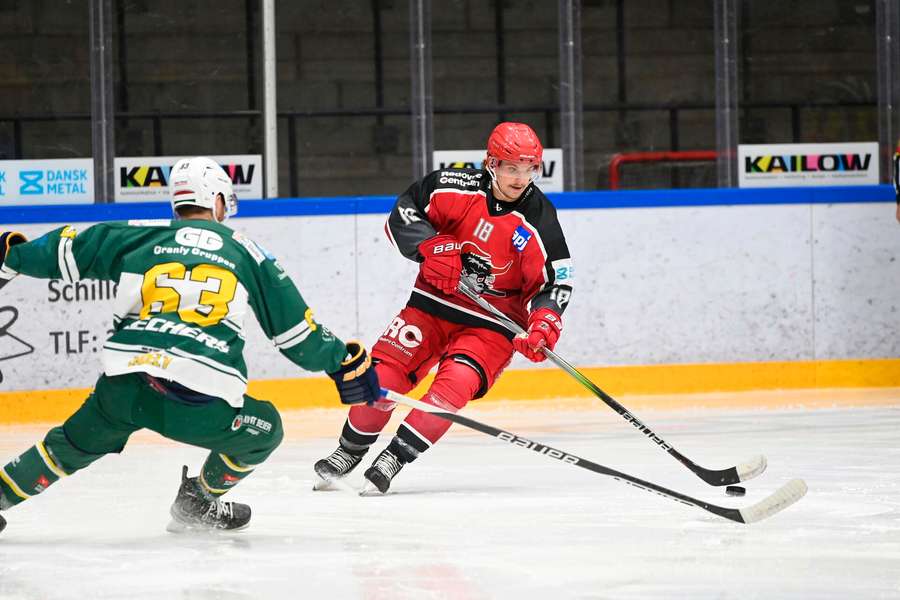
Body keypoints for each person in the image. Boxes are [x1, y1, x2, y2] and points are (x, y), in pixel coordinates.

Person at [0, 157, 379, 534]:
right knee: (265, 430)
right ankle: (198, 499)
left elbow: (66, 251)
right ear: (215, 200)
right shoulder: (245, 250)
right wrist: (341, 362)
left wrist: (13, 256)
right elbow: (296, 335)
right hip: (195, 399)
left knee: (64, 448)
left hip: (123, 387)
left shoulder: (139, 234)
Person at [313, 122, 574, 494]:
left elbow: (556, 280)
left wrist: (544, 321)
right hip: (431, 305)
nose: (520, 178)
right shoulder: (452, 187)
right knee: (384, 378)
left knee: (455, 386)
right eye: (511, 168)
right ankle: (349, 450)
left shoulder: (540, 219)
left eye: (529, 169)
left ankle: (394, 457)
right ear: (491, 164)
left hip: (491, 326)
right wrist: (430, 245)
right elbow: (403, 213)